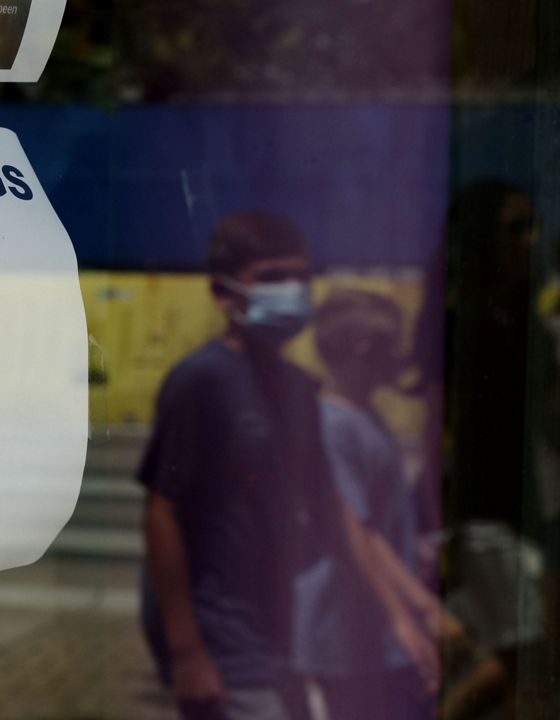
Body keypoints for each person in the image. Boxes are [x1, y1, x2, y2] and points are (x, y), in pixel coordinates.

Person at [138, 212, 435, 720]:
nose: (292, 290)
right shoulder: (201, 381)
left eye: (300, 276)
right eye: (272, 278)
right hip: (222, 638)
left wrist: (402, 613)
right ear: (222, 292)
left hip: (278, 635)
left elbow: (333, 513)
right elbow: (162, 514)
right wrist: (187, 653)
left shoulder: (299, 389)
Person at [294, 289, 436, 718]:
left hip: (369, 624)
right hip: (348, 629)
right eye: (395, 348)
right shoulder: (335, 426)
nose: (403, 359)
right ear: (365, 351)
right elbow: (358, 529)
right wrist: (410, 612)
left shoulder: (362, 415)